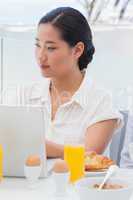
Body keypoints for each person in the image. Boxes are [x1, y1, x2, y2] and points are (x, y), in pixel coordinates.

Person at [2, 7, 122, 158]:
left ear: (77, 50)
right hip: (27, 181)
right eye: (38, 45)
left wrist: (37, 146)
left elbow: (89, 156)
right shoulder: (23, 95)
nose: (40, 56)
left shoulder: (100, 101)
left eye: (51, 48)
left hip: (77, 182)